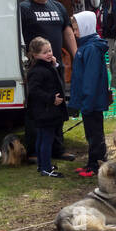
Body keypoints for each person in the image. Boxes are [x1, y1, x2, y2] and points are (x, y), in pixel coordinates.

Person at [19, 0, 77, 161]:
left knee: (58, 105)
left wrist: (76, 56)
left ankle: (57, 149)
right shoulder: (24, 8)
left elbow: (67, 31)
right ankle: (34, 151)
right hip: (36, 69)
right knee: (37, 107)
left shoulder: (58, 7)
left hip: (56, 67)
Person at [67, 11, 110, 177]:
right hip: (88, 101)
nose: (75, 32)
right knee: (90, 132)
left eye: (76, 28)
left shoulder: (91, 48)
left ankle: (95, 164)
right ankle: (94, 161)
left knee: (94, 133)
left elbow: (90, 80)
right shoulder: (85, 46)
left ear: (85, 27)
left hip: (91, 101)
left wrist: (86, 102)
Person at [24, 36, 68, 177]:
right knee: (46, 139)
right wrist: (51, 99)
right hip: (45, 111)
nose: (49, 54)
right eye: (45, 52)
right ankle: (46, 168)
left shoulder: (47, 67)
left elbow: (58, 80)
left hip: (46, 111)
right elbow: (35, 90)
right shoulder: (37, 71)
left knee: (42, 137)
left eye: (50, 50)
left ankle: (42, 165)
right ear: (36, 55)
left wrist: (56, 66)